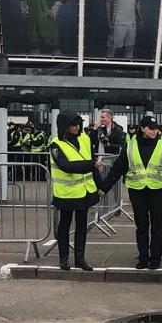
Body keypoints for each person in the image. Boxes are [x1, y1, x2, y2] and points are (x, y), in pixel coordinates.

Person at [100, 115, 162, 269]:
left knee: (157, 227)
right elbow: (117, 169)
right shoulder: (130, 146)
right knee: (142, 226)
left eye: (156, 128)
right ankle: (143, 258)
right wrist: (104, 187)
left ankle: (155, 259)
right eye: (151, 128)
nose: (154, 131)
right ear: (142, 129)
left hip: (158, 190)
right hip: (137, 191)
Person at [49, 113, 103, 271]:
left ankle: (80, 258)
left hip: (85, 190)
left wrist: (100, 186)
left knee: (82, 226)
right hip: (66, 193)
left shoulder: (84, 138)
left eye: (78, 124)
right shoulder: (55, 144)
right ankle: (63, 258)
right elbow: (65, 165)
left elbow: (92, 161)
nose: (77, 128)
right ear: (64, 126)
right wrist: (91, 165)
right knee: (64, 225)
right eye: (73, 125)